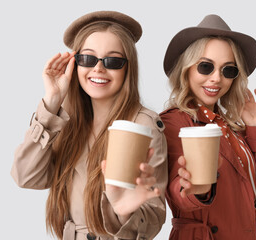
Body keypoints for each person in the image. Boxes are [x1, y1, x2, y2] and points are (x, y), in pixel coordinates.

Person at [11, 11, 167, 240]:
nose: (98, 69)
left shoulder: (143, 125)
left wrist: (123, 212)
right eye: (88, 59)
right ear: (74, 64)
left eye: (113, 61)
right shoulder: (64, 121)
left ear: (127, 68)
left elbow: (153, 219)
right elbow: (26, 177)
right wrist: (52, 102)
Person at [160, 14, 256, 240]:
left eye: (228, 70)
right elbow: (179, 194)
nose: (216, 78)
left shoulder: (232, 128)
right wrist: (196, 188)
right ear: (187, 69)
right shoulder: (173, 122)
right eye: (206, 67)